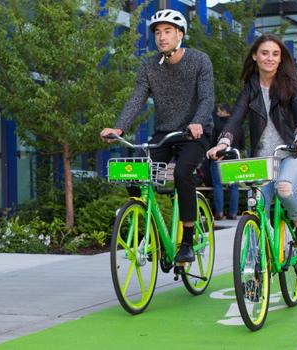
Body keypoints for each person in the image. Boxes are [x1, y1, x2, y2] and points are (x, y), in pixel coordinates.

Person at [100, 9, 215, 263]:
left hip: (194, 134)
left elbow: (207, 98)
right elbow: (137, 98)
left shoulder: (200, 60)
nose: (162, 37)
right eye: (157, 32)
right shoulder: (149, 65)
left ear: (180, 34)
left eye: (168, 31)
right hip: (164, 133)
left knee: (182, 173)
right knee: (133, 170)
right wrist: (119, 128)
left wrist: (197, 122)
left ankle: (186, 241)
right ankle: (153, 227)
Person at [206, 33, 297, 247]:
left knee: (283, 187)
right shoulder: (250, 89)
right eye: (264, 53)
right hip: (263, 161)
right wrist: (224, 142)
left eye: (275, 54)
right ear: (255, 56)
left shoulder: (293, 86)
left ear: (281, 58)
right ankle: (254, 267)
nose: (270, 58)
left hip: (292, 155)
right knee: (255, 211)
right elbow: (235, 118)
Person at [210, 103, 241, 220]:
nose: (217, 113)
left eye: (218, 111)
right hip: (234, 158)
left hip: (218, 157)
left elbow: (212, 140)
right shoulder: (237, 125)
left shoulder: (216, 124)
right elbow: (242, 143)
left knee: (217, 185)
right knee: (234, 186)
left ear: (224, 111)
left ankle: (219, 212)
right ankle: (233, 213)